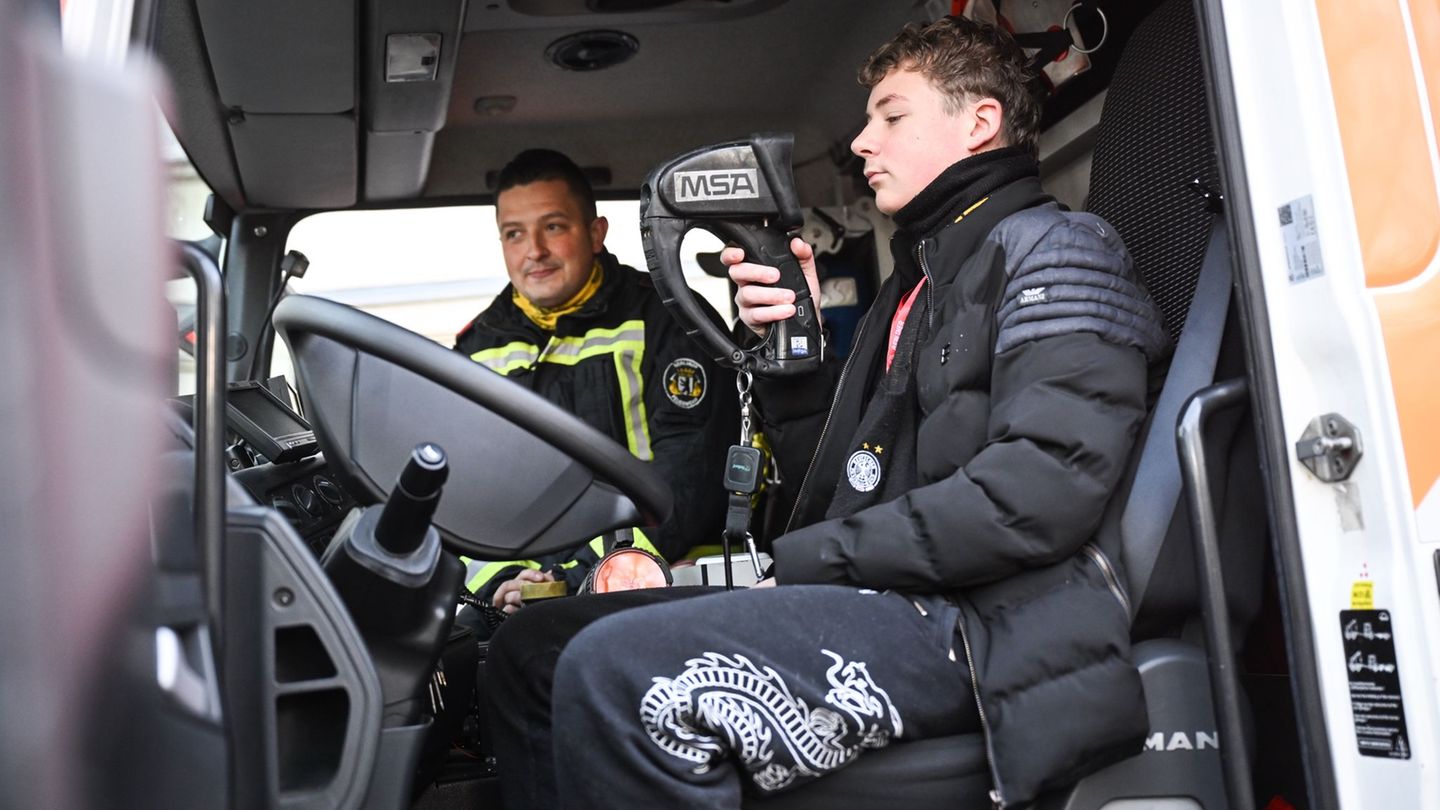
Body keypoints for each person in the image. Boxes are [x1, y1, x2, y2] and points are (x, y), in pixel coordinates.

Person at [485, 16, 1170, 809]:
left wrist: (810, 560)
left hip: (983, 628)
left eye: (892, 116)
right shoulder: (915, 282)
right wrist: (796, 362)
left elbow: (1038, 496)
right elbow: (845, 482)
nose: (861, 143)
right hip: (892, 596)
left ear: (979, 123)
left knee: (614, 675)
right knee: (530, 649)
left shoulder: (1059, 252)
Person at [453, 148, 737, 616]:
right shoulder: (475, 350)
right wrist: (501, 581)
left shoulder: (670, 321)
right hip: (524, 604)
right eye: (514, 234)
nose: (534, 251)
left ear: (595, 233)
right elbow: (463, 498)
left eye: (554, 226)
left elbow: (690, 481)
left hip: (655, 589)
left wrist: (581, 575)